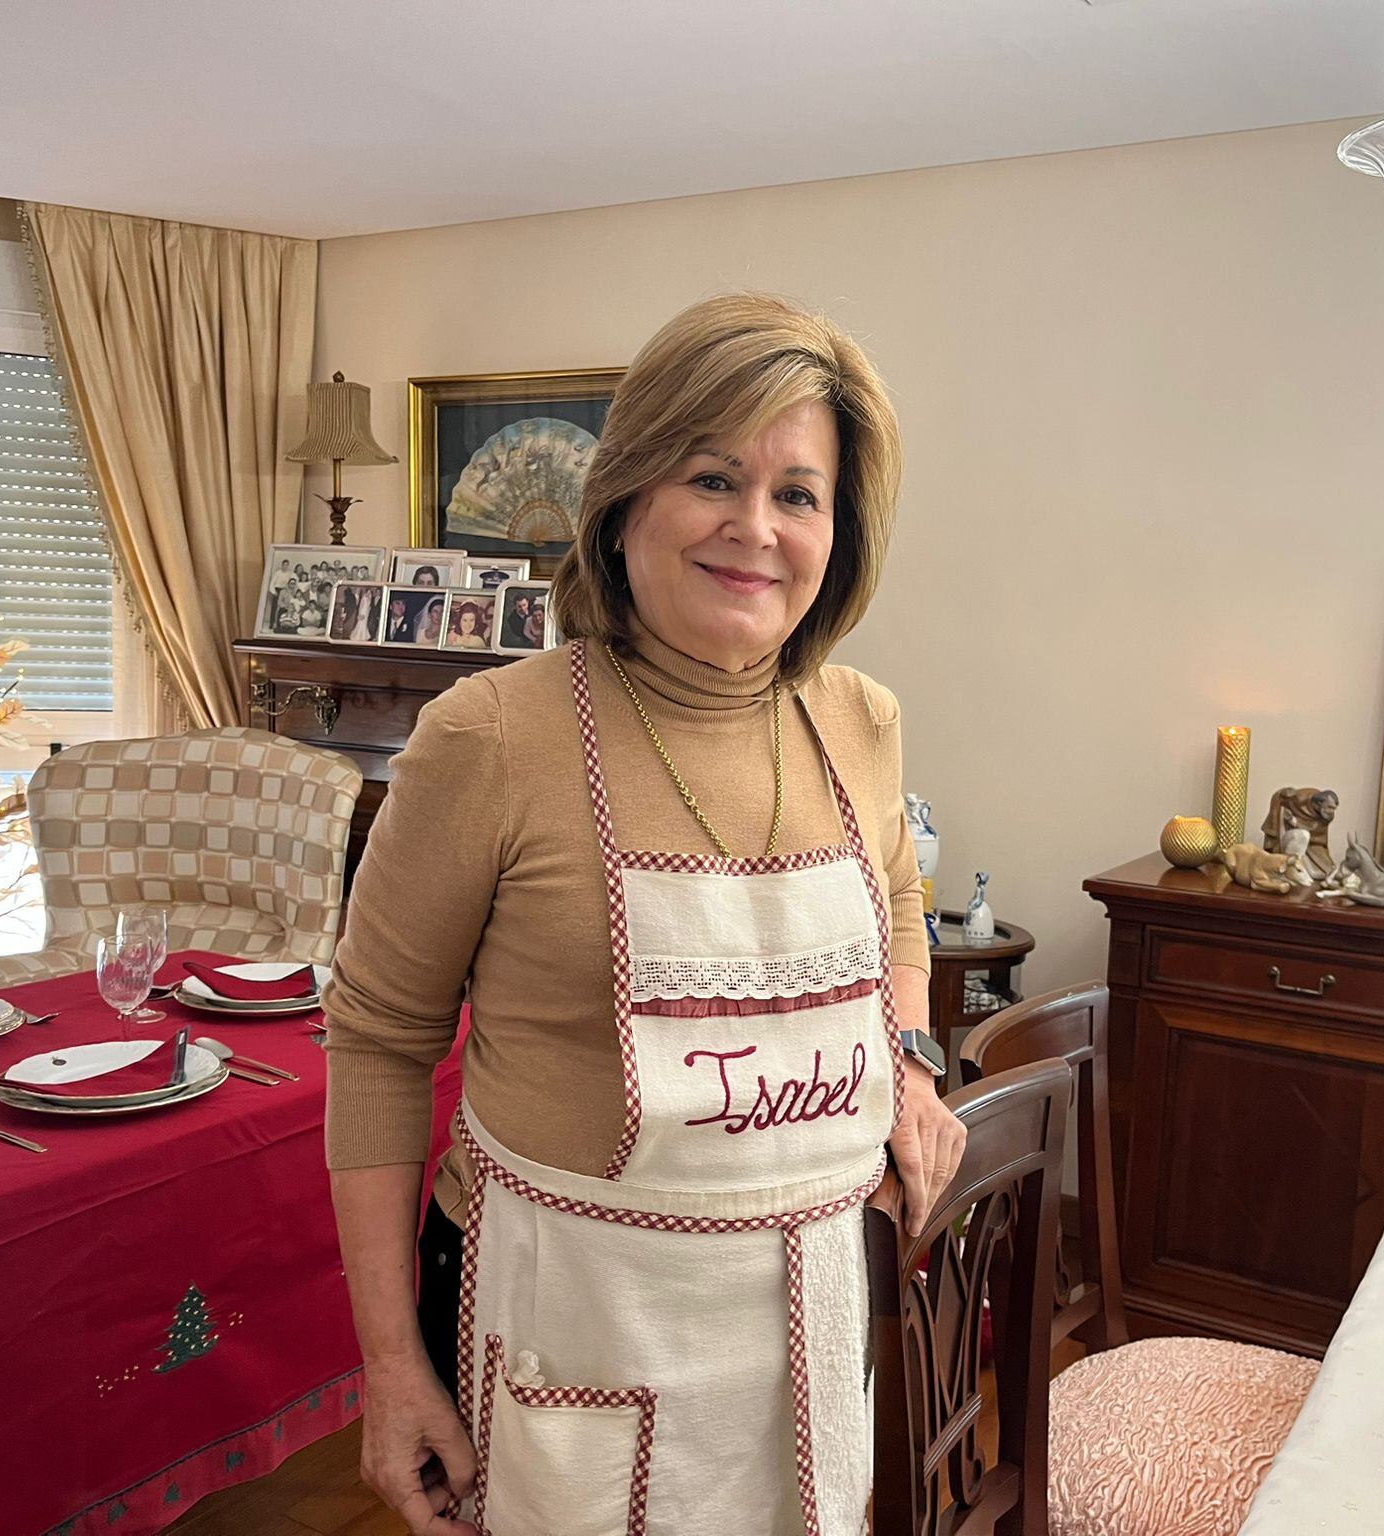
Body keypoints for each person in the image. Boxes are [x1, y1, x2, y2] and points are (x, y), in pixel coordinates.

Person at [323, 292, 962, 1535]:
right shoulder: (490, 739)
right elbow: (379, 1044)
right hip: (568, 1329)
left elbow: (894, 893)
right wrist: (392, 1367)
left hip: (807, 1333)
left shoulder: (860, 722)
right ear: (623, 502)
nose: (754, 528)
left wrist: (912, 1059)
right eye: (712, 477)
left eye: (797, 493)